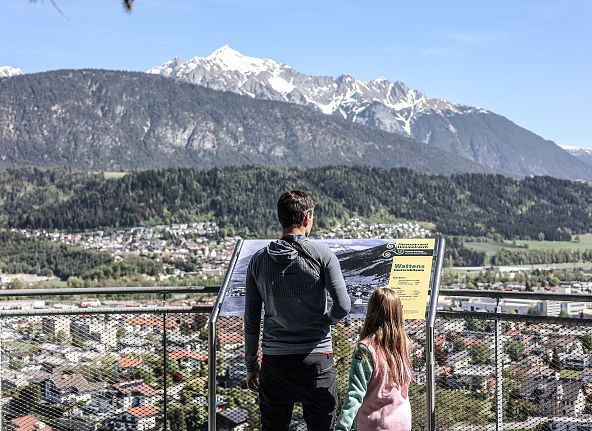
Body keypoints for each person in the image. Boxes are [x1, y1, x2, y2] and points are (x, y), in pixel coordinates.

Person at [244, 190, 351, 431]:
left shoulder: (258, 260)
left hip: (275, 361)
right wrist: (325, 321)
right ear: (306, 219)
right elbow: (343, 306)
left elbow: (251, 319)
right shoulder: (322, 254)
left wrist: (252, 365)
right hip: (316, 359)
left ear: (281, 218)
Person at [334, 288, 413, 431]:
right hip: (403, 421)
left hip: (375, 424)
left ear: (372, 311)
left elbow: (355, 394)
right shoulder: (403, 345)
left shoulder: (366, 349)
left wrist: (341, 427)